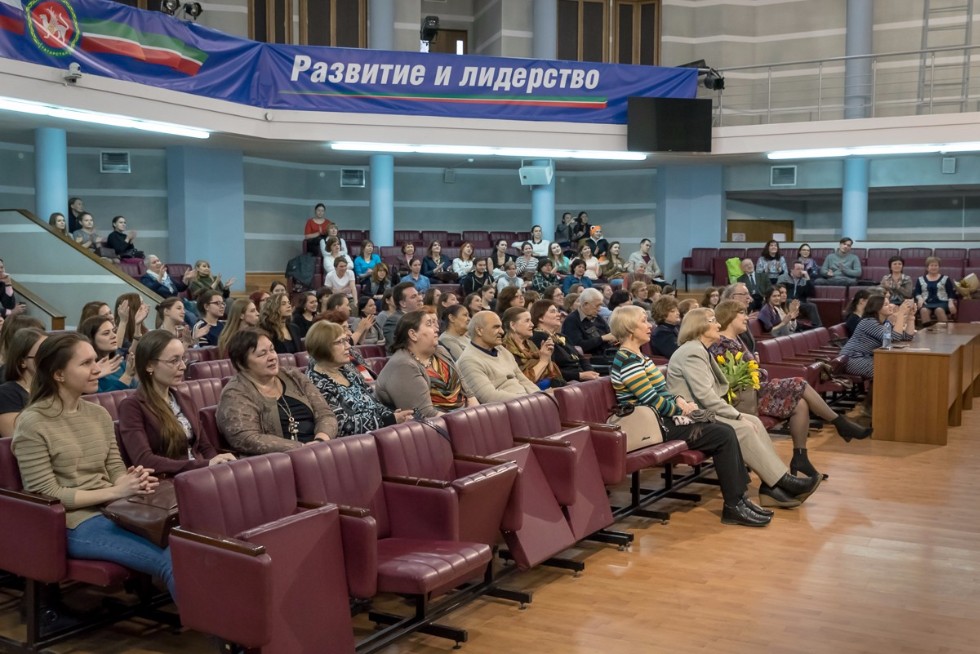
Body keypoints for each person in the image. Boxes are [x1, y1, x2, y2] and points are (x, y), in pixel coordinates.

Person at [12, 333, 176, 599]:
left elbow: (114, 467)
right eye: (86, 363)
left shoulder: (98, 414)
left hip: (115, 510)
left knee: (189, 546)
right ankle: (218, 626)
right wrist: (116, 491)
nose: (97, 369)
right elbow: (46, 494)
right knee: (171, 560)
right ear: (59, 374)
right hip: (74, 522)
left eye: (94, 361)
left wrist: (129, 481)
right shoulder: (33, 423)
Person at [608, 305, 769, 527]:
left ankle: (740, 499)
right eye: (644, 321)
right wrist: (682, 410)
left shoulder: (640, 356)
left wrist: (679, 401)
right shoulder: (627, 360)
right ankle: (734, 505)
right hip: (654, 425)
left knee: (724, 428)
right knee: (723, 434)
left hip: (663, 419)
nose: (650, 325)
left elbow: (662, 392)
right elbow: (651, 400)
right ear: (629, 328)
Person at [665, 309, 822, 509]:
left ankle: (772, 487)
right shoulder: (692, 352)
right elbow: (706, 397)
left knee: (754, 421)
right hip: (690, 417)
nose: (718, 325)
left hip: (703, 411)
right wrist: (738, 416)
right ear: (700, 326)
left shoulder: (699, 349)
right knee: (743, 427)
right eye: (713, 321)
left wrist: (739, 415)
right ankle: (782, 482)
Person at [710, 301, 871, 478]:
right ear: (729, 316)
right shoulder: (721, 344)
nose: (747, 318)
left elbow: (753, 371)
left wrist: (757, 368)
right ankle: (840, 423)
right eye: (742, 313)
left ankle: (800, 459)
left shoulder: (737, 339)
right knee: (799, 383)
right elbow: (735, 378)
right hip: (743, 398)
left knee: (800, 404)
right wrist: (758, 369)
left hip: (755, 390)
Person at [118, 330, 235, 473]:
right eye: (174, 361)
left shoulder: (185, 400)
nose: (183, 366)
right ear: (149, 366)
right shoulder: (132, 406)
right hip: (170, 477)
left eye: (183, 359)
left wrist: (218, 466)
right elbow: (145, 460)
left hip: (199, 473)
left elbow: (205, 447)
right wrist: (204, 465)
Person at [217, 330, 336, 453]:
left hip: (318, 450)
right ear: (241, 364)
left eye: (272, 350)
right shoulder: (234, 393)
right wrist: (302, 449)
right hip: (277, 460)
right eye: (262, 354)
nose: (272, 357)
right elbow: (247, 438)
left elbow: (325, 414)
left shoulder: (293, 376)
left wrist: (320, 441)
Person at [305, 321, 412, 436]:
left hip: (377, 434)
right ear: (323, 347)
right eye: (340, 342)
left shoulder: (347, 372)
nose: (348, 346)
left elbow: (375, 403)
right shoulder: (315, 383)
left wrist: (393, 415)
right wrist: (389, 420)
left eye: (346, 340)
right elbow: (340, 425)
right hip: (354, 443)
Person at [375, 310, 473, 416]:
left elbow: (468, 394)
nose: (437, 328)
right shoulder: (403, 366)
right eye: (429, 324)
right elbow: (425, 415)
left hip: (463, 417)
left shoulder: (440, 351)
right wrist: (466, 422)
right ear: (413, 334)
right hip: (439, 423)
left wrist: (475, 416)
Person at [456, 310, 540, 403]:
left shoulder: (501, 350)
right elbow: (490, 397)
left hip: (526, 402)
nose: (502, 331)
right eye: (496, 327)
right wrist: (529, 400)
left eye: (501, 327)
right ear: (479, 330)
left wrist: (541, 396)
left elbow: (524, 380)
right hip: (509, 408)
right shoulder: (468, 361)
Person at [840, 294, 915, 379]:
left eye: (889, 303)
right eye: (886, 305)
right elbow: (894, 337)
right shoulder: (868, 322)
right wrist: (901, 313)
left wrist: (911, 317)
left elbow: (907, 337)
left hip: (867, 358)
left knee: (898, 367)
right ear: (877, 308)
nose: (891, 306)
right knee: (891, 370)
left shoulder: (885, 323)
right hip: (852, 359)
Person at [529, 300, 598, 382]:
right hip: (566, 382)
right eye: (553, 312)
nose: (559, 314)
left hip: (582, 379)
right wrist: (580, 376)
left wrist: (592, 373)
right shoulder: (539, 338)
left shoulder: (561, 336)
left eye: (557, 311)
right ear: (540, 318)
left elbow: (581, 358)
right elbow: (552, 370)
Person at [0, 328, 46, 438]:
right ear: (22, 361)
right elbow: (15, 436)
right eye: (41, 355)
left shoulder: (54, 388)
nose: (49, 360)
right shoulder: (6, 393)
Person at [501, 306, 561, 388]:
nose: (532, 325)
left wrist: (547, 357)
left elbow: (552, 374)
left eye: (531, 321)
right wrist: (543, 361)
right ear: (513, 325)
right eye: (527, 321)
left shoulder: (531, 344)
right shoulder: (504, 349)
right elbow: (522, 382)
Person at [78, 316, 137, 392]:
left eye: (114, 331)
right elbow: (100, 398)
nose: (114, 336)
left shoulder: (121, 363)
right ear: (91, 339)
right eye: (106, 333)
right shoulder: (87, 373)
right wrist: (127, 376)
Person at [561, 287, 616, 364]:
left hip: (606, 355)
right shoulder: (572, 320)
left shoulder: (598, 318)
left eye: (600, 305)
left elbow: (609, 334)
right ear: (585, 304)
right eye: (597, 306)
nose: (599, 309)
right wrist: (602, 339)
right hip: (588, 361)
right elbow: (578, 346)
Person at [776, 260, 822, 327]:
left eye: (802, 269)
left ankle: (817, 327)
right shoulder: (783, 278)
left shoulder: (804, 280)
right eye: (798, 269)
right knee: (791, 301)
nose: (801, 271)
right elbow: (778, 292)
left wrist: (808, 280)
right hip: (786, 302)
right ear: (791, 270)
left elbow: (812, 294)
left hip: (800, 303)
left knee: (812, 306)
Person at [914, 256, 958, 323]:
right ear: (927, 268)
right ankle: (927, 329)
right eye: (931, 265)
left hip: (942, 302)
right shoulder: (920, 279)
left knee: (939, 310)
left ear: (939, 267)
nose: (934, 267)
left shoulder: (946, 278)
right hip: (926, 302)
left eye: (936, 265)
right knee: (923, 311)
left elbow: (951, 293)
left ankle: (944, 329)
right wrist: (920, 298)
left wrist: (951, 303)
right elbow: (917, 292)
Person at [382, 281, 422, 350]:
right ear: (403, 303)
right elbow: (396, 347)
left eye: (418, 295)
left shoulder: (422, 317)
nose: (420, 299)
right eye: (413, 297)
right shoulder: (394, 321)